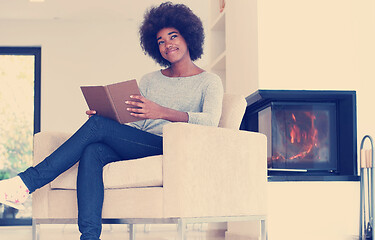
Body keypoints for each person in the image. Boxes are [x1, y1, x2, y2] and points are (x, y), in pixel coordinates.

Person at [0, 2, 223, 240]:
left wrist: (161, 111)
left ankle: (26, 182)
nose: (167, 44)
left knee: (97, 130)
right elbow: (137, 124)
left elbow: (210, 123)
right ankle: (89, 236)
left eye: (173, 36)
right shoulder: (150, 80)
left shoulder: (209, 82)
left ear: (188, 36)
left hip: (172, 147)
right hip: (141, 143)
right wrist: (109, 117)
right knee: (94, 150)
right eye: (160, 41)